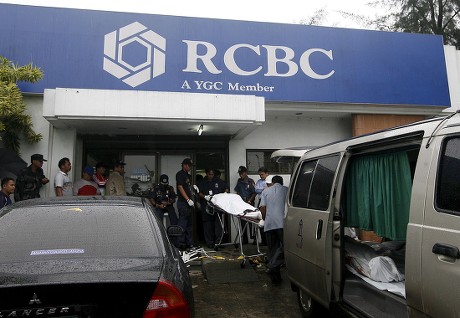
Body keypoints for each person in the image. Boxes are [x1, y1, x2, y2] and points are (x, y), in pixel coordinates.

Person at [259, 175, 288, 284]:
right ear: (282, 182)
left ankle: (276, 278)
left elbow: (262, 208)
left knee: (273, 250)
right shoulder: (287, 190)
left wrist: (263, 219)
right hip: (282, 224)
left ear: (272, 182)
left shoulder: (265, 191)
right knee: (284, 247)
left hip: (269, 224)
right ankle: (272, 266)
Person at [198, 168, 229, 248]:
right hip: (206, 205)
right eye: (210, 174)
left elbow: (226, 187)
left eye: (212, 174)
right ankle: (209, 242)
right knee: (208, 225)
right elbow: (198, 193)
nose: (211, 176)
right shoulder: (202, 182)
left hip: (217, 206)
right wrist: (205, 197)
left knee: (218, 224)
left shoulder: (218, 181)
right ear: (206, 174)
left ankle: (218, 242)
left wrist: (225, 193)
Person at [176, 158, 195, 250]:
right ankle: (181, 244)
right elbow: (180, 187)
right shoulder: (180, 174)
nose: (190, 167)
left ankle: (189, 243)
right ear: (184, 165)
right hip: (183, 202)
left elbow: (189, 188)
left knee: (189, 225)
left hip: (189, 203)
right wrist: (187, 199)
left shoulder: (188, 176)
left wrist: (193, 197)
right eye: (189, 165)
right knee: (182, 224)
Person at [234, 165, 256, 244]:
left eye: (242, 173)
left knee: (251, 221)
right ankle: (244, 239)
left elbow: (254, 192)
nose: (240, 175)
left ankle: (254, 238)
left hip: (249, 202)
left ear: (246, 173)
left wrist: (249, 200)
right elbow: (237, 191)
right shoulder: (239, 181)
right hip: (242, 203)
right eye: (239, 174)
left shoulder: (250, 181)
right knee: (242, 221)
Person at [255, 167, 270, 245]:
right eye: (260, 175)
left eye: (262, 174)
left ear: (267, 173)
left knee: (269, 221)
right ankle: (264, 240)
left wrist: (263, 189)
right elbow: (256, 190)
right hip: (261, 202)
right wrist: (264, 189)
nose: (261, 176)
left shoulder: (271, 180)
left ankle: (269, 240)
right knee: (261, 220)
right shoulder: (259, 181)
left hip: (270, 202)